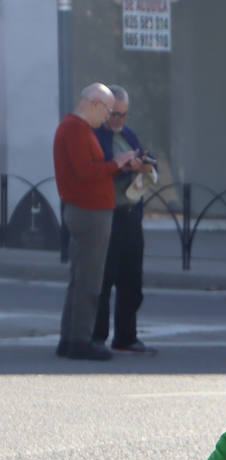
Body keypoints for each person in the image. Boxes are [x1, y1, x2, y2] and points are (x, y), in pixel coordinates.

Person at [52, 83, 144, 361]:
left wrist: (118, 164)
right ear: (93, 103)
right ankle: (80, 340)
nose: (107, 117)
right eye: (106, 110)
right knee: (90, 282)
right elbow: (85, 172)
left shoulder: (76, 128)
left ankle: (69, 339)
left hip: (88, 209)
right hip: (89, 211)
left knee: (81, 279)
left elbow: (88, 169)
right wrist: (116, 164)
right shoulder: (76, 129)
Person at [93, 85, 155, 354]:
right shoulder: (95, 135)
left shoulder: (127, 134)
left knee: (132, 280)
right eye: (115, 114)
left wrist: (144, 164)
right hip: (109, 214)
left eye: (124, 114)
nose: (119, 120)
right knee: (104, 279)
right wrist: (122, 167)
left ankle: (126, 335)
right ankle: (97, 336)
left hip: (131, 215)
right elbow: (97, 170)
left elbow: (145, 156)